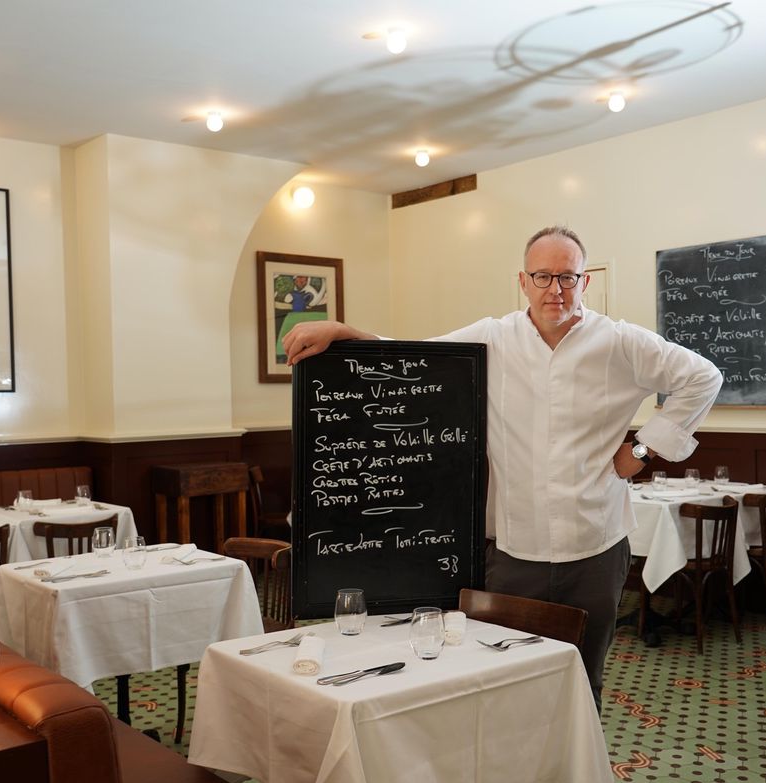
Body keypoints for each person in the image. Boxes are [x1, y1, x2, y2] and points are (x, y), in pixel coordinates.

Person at [283, 225, 722, 711]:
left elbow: (703, 377)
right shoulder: (492, 337)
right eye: (543, 276)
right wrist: (346, 333)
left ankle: (573, 782)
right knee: (502, 676)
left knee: (582, 677)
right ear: (523, 280)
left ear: (585, 282)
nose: (555, 289)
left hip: (595, 541)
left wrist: (641, 450)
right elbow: (416, 359)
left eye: (567, 277)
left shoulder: (619, 342)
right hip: (513, 549)